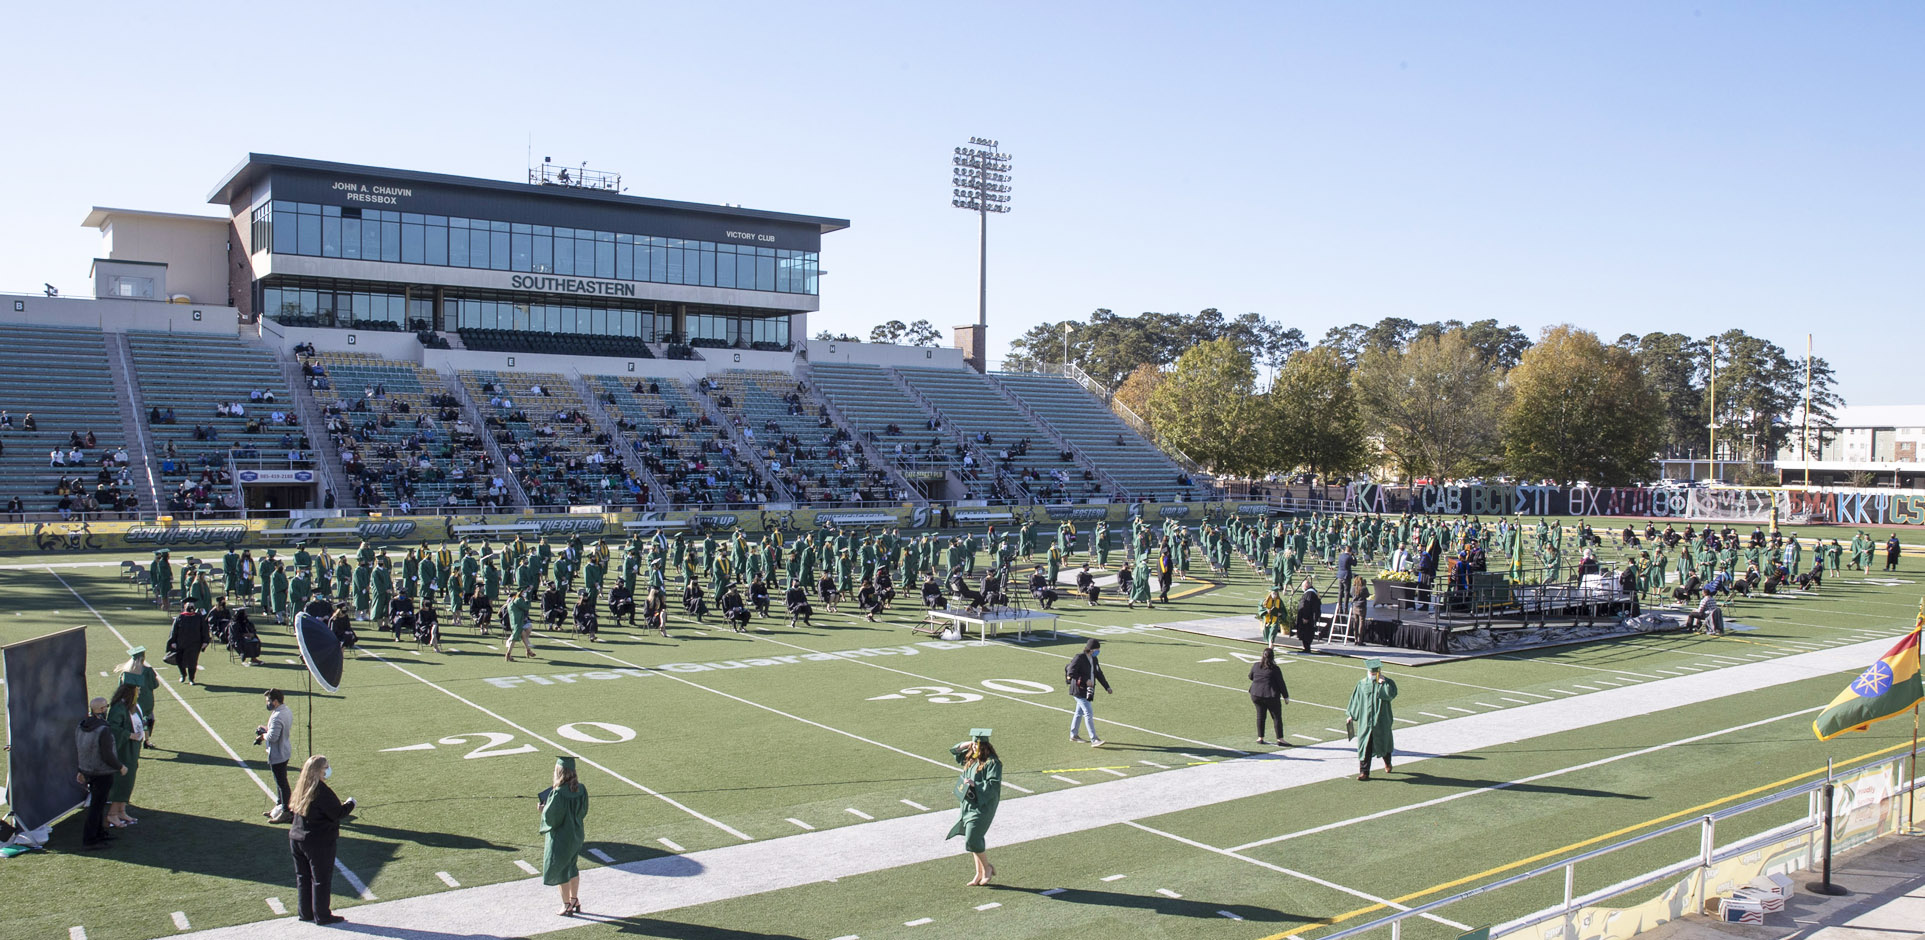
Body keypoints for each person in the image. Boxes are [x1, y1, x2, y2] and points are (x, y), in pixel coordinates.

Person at [288, 754, 355, 925]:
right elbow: (337, 813)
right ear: (318, 771)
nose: (328, 770)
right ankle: (322, 915)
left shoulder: (302, 787)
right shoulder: (320, 790)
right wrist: (351, 804)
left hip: (297, 838)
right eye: (326, 767)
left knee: (302, 877)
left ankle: (305, 912)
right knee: (321, 879)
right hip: (318, 841)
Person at [945, 730, 1002, 887]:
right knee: (972, 839)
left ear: (984, 746)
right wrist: (967, 743)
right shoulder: (971, 759)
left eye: (977, 745)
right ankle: (978, 873)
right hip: (968, 804)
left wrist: (974, 784)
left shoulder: (992, 763)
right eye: (973, 745)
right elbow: (954, 750)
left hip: (983, 805)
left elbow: (993, 785)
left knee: (972, 839)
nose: (974, 748)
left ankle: (987, 868)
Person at [75, 696, 128, 850]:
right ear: (101, 709)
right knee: (97, 806)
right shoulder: (103, 729)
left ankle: (99, 833)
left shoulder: (81, 726)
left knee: (97, 804)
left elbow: (79, 749)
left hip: (87, 769)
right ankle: (90, 839)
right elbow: (107, 754)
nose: (106, 709)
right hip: (102, 772)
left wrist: (80, 770)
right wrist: (120, 767)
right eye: (105, 706)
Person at [541, 755, 590, 916]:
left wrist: (542, 810)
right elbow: (583, 812)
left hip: (562, 836)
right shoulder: (581, 789)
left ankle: (566, 904)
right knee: (572, 866)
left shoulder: (558, 793)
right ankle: (574, 899)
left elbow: (552, 819)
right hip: (576, 833)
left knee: (561, 870)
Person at [1347, 659, 1398, 780]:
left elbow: (1390, 695)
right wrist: (1351, 715)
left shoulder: (1387, 683)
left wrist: (1383, 684)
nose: (1373, 674)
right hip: (1366, 721)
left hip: (1381, 720)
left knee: (1383, 743)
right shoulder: (1362, 684)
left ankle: (1387, 762)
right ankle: (1364, 772)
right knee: (1365, 746)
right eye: (1371, 672)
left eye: (1375, 672)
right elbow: (1356, 700)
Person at [104, 681, 144, 828]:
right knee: (122, 781)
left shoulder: (130, 706)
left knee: (129, 780)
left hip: (132, 749)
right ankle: (112, 814)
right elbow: (113, 728)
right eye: (137, 690)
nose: (139, 692)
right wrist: (129, 735)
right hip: (123, 750)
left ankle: (121, 810)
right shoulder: (118, 708)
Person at [1065, 639, 1112, 746]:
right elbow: (1071, 672)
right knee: (1088, 713)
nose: (1098, 651)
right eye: (1097, 649)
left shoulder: (1094, 659)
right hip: (1078, 690)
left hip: (1088, 690)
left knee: (1079, 712)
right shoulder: (1079, 658)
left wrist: (1107, 687)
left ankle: (1073, 735)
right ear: (1091, 649)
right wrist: (1085, 680)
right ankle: (1094, 739)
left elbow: (1099, 674)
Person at [258, 689, 294, 822]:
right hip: (284, 750)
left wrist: (262, 736)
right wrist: (267, 730)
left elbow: (273, 737)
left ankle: (286, 811)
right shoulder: (286, 711)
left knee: (282, 783)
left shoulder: (278, 715)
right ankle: (279, 807)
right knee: (281, 782)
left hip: (278, 753)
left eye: (269, 701)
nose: (267, 703)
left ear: (276, 701)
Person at [115, 647, 159, 750]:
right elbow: (155, 685)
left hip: (129, 701)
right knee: (146, 719)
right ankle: (146, 740)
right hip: (146, 700)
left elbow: (120, 689)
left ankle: (130, 740)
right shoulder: (148, 671)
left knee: (131, 721)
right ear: (143, 658)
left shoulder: (125, 673)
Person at [1249, 646, 1290, 746]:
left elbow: (1250, 676)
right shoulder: (1275, 669)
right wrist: (1286, 696)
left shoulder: (1256, 665)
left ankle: (1260, 737)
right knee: (1276, 717)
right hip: (1270, 695)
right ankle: (1280, 739)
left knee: (1260, 716)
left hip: (1256, 694)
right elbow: (1281, 683)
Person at [169, 600, 211, 684]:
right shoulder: (180, 617)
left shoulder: (198, 617)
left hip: (194, 644)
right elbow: (174, 631)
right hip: (181, 643)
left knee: (192, 662)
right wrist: (173, 641)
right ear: (185, 607)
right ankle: (183, 674)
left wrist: (205, 641)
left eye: (192, 605)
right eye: (189, 605)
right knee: (180, 660)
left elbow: (204, 630)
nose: (191, 607)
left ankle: (191, 679)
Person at [1292, 578, 1321, 654]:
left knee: (1306, 632)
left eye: (1303, 586)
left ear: (1306, 586)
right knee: (1306, 632)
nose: (1302, 587)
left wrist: (1305, 617)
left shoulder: (1310, 593)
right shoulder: (1312, 593)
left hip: (1307, 618)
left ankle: (1307, 648)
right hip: (1309, 617)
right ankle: (1306, 648)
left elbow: (1307, 606)